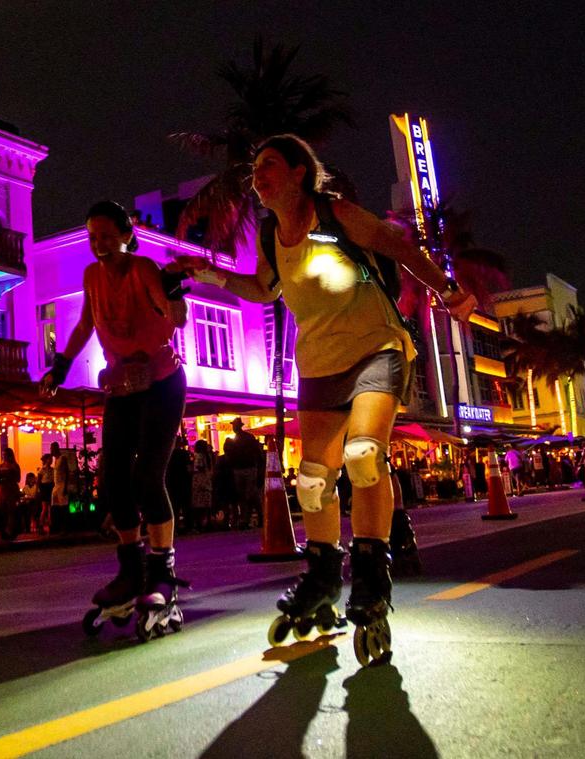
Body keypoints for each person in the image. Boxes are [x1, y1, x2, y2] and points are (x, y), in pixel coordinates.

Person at [178, 134, 476, 665]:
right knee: (314, 480)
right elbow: (264, 290)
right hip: (317, 364)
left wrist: (448, 292)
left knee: (363, 456)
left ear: (299, 172)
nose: (257, 177)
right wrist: (204, 271)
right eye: (255, 169)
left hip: (376, 350)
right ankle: (320, 578)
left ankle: (370, 577)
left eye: (269, 165)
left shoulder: (338, 215)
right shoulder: (272, 236)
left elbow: (402, 250)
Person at [40, 200, 189, 641]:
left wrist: (174, 291)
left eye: (106, 235)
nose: (98, 243)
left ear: (126, 234)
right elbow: (86, 323)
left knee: (147, 477)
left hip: (162, 383)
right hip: (123, 385)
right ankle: (131, 571)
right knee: (111, 481)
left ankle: (162, 573)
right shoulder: (91, 277)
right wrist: (61, 366)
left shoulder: (144, 269)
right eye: (92, 236)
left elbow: (172, 316)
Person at [224, 418, 264, 529]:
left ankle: (250, 518)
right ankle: (249, 518)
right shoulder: (246, 438)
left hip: (246, 468)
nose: (234, 428)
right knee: (246, 494)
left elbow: (257, 452)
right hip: (244, 468)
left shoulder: (243, 438)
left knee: (249, 494)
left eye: (234, 425)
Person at [0, 447, 22, 541]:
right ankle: (3, 531)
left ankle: (10, 531)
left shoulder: (14, 465)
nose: (4, 456)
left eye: (6, 455)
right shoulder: (1, 466)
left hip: (11, 490)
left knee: (11, 511)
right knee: (3, 511)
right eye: (3, 455)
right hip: (3, 490)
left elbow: (18, 479)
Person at [190, 439, 215, 531]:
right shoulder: (207, 456)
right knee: (207, 502)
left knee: (198, 503)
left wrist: (191, 470)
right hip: (206, 480)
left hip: (199, 480)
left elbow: (198, 467)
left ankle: (200, 523)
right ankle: (208, 522)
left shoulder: (199, 456)